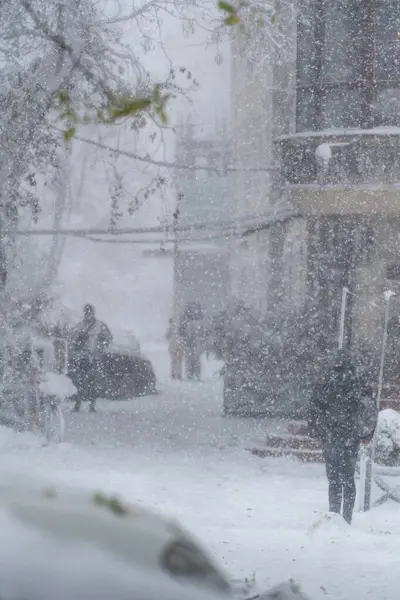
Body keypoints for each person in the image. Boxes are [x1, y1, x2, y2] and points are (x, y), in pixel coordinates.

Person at [308, 349, 377, 524]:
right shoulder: (359, 382)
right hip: (351, 435)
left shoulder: (326, 382)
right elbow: (369, 409)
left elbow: (314, 407)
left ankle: (333, 516)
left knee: (333, 479)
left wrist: (316, 429)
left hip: (331, 435)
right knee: (348, 479)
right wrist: (367, 432)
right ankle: (347, 519)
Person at [69, 304, 112, 413]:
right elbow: (72, 340)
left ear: (92, 312)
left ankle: (91, 405)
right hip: (81, 358)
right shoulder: (80, 326)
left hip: (93, 357)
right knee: (80, 382)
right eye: (86, 312)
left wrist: (100, 347)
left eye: (89, 311)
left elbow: (109, 338)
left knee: (92, 382)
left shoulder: (99, 325)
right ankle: (78, 404)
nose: (87, 314)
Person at [178, 302, 205, 380]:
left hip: (192, 343)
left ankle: (192, 374)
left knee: (192, 359)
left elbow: (181, 331)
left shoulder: (186, 320)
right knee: (193, 359)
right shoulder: (196, 320)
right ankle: (194, 374)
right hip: (192, 343)